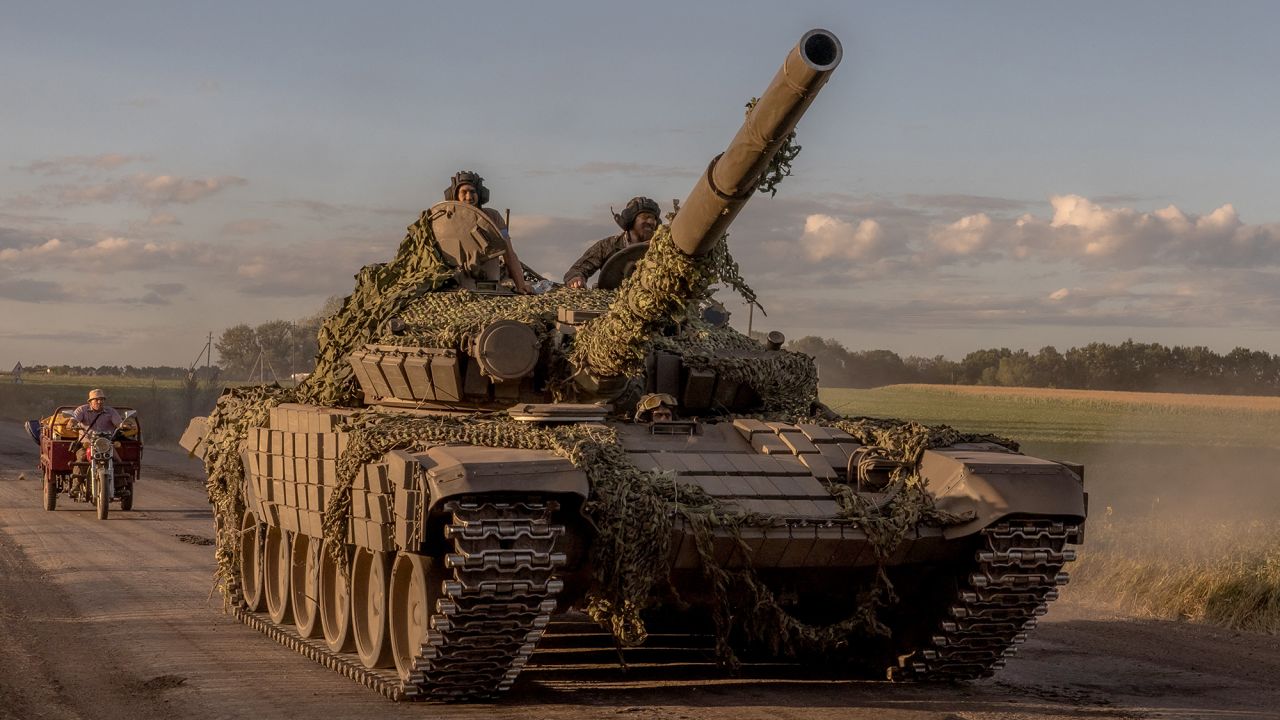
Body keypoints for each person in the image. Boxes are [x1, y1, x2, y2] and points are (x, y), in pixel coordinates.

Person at [444, 171, 532, 294]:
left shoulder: (493, 217)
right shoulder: (445, 221)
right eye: (464, 192)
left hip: (490, 285)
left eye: (472, 192)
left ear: (480, 194)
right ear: (455, 195)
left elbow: (509, 253)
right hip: (458, 286)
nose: (469, 197)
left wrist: (520, 285)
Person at [564, 196, 661, 288]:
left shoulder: (661, 248)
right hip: (611, 299)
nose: (651, 222)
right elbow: (579, 268)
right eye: (645, 217)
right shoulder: (609, 245)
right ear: (630, 220)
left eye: (654, 219)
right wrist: (576, 278)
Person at [72, 388, 122, 466]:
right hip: (87, 444)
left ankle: (121, 477)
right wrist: (72, 424)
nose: (100, 402)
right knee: (81, 460)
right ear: (90, 402)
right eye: (96, 400)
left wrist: (123, 426)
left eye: (102, 399)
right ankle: (77, 478)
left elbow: (119, 423)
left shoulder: (111, 411)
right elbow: (74, 419)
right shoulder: (82, 410)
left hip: (106, 444)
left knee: (118, 461)